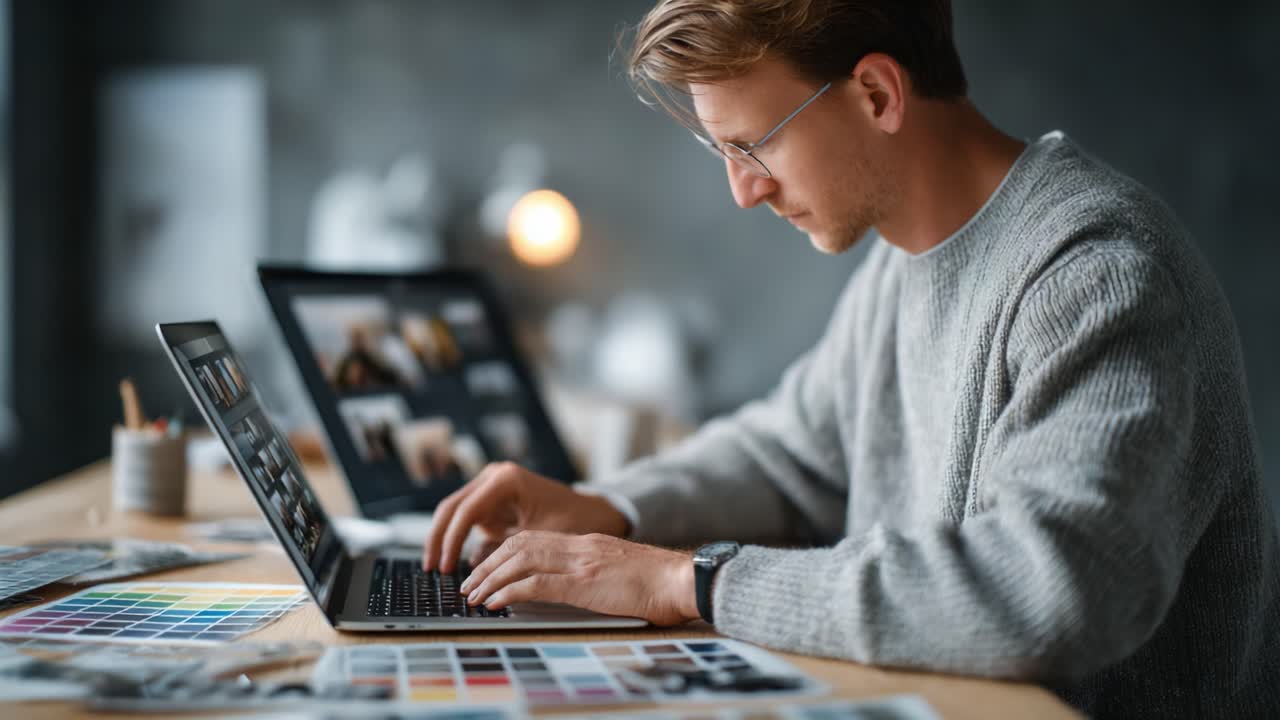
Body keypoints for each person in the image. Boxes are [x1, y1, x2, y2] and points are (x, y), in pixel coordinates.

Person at [421, 1, 1280, 716]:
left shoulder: (1101, 277)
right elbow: (789, 453)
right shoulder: (902, 262)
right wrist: (603, 511)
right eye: (720, 152)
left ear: (875, 94)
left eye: (753, 144)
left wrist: (688, 582)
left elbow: (1044, 590)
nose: (743, 189)